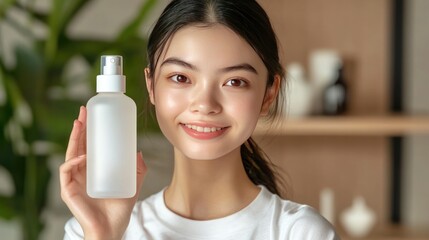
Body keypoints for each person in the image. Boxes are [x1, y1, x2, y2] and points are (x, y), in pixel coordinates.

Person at [60, 0, 339, 239]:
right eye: (180, 78)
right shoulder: (90, 230)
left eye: (235, 81)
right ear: (151, 85)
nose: (205, 105)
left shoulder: (300, 233)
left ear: (269, 94)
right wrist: (103, 234)